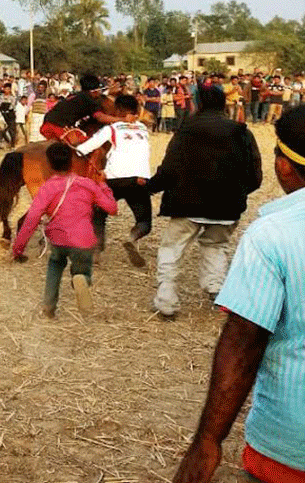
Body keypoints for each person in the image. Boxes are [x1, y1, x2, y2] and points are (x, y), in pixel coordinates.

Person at [172, 106, 305, 483]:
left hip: (292, 448)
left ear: (284, 166)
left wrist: (208, 440)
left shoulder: (272, 235)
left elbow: (244, 341)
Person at [147, 85, 263, 320]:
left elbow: (170, 168)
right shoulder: (241, 132)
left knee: (172, 249)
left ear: (198, 103)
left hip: (187, 204)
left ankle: (166, 302)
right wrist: (238, 193)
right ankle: (217, 291)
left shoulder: (187, 129)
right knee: (216, 246)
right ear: (222, 104)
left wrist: (150, 187)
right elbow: (254, 174)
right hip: (227, 206)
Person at [12, 142, 118, 317]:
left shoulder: (47, 188)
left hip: (59, 239)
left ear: (49, 164)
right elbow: (112, 209)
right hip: (84, 240)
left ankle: (49, 306)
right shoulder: (88, 184)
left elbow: (32, 219)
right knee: (82, 268)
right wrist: (103, 185)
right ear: (71, 161)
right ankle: (81, 278)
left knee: (55, 265)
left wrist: (18, 247)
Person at [74, 94, 153, 267]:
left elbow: (89, 146)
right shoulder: (143, 129)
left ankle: (96, 250)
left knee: (99, 214)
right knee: (144, 221)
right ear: (136, 111)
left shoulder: (113, 128)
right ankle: (132, 238)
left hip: (115, 179)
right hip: (139, 179)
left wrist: (77, 150)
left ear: (118, 110)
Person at [39, 73, 123, 146]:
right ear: (94, 91)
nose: (100, 93)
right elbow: (100, 117)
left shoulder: (77, 95)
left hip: (47, 123)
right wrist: (122, 119)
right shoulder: (89, 100)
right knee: (87, 145)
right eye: (100, 90)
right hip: (56, 126)